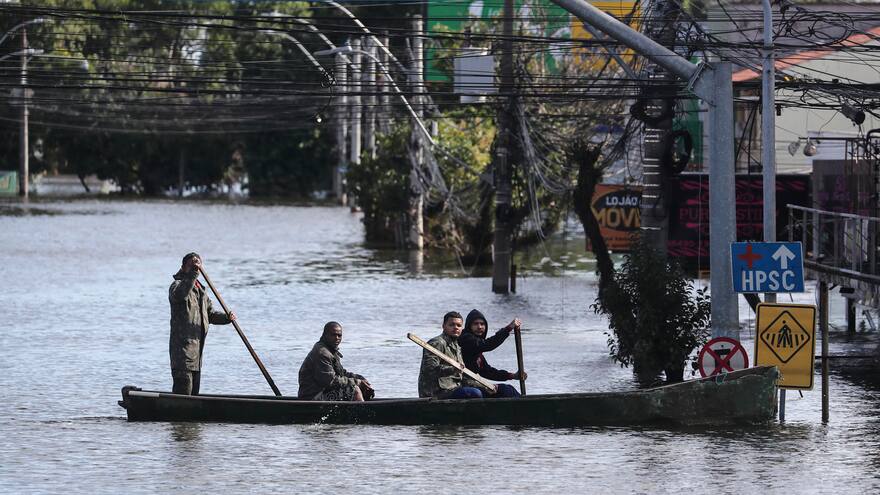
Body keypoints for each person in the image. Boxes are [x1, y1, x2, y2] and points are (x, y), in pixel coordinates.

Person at [168, 252, 235, 395]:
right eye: (191, 265)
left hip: (197, 355)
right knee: (183, 393)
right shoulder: (177, 286)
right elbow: (180, 295)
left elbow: (210, 315)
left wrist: (227, 318)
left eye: (197, 265)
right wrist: (192, 275)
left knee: (194, 395)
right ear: (183, 267)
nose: (195, 268)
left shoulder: (201, 291)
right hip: (182, 354)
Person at [418, 311, 496, 399]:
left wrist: (485, 387)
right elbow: (430, 370)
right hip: (436, 392)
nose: (455, 328)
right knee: (475, 393)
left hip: (454, 388)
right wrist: (453, 369)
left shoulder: (457, 346)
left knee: (503, 390)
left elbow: (463, 377)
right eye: (451, 325)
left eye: (459, 325)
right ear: (443, 326)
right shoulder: (436, 343)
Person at [298, 321, 373, 401]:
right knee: (354, 390)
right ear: (325, 335)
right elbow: (331, 381)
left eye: (339, 335)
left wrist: (361, 380)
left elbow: (341, 373)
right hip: (312, 397)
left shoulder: (330, 351)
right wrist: (357, 382)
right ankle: (364, 412)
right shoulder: (322, 353)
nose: (337, 338)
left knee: (362, 387)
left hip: (323, 393)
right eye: (333, 335)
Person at [459, 309, 526, 398]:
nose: (479, 327)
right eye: (475, 324)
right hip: (462, 385)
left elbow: (487, 372)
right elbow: (488, 345)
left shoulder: (477, 351)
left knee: (507, 390)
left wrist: (512, 375)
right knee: (506, 390)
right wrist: (508, 329)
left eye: (482, 324)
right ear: (469, 326)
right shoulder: (466, 339)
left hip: (470, 384)